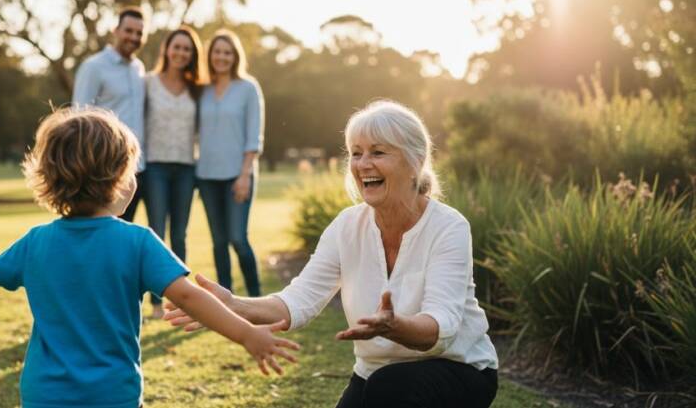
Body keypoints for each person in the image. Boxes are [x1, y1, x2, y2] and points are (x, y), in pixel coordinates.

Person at [0, 108, 300, 408]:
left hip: (44, 395)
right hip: (112, 395)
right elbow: (191, 298)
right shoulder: (138, 242)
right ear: (120, 179)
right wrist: (246, 333)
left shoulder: (36, 242)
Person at [167, 100, 499, 408]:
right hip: (375, 371)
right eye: (356, 153)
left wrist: (394, 325)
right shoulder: (347, 226)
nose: (363, 164)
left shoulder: (449, 227)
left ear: (415, 163)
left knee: (391, 387)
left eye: (378, 152)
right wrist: (233, 305)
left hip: (459, 370)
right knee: (384, 383)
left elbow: (442, 326)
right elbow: (299, 300)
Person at [142, 26, 205, 318]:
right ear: (167, 49)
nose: (181, 53)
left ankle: (177, 300)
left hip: (185, 168)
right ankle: (155, 301)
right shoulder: (148, 83)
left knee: (179, 235)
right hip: (154, 165)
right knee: (156, 233)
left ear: (192, 55)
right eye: (176, 47)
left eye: (187, 49)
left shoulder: (197, 87)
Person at [196, 30, 265, 297]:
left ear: (235, 57)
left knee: (238, 238)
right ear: (210, 55)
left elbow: (254, 135)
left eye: (227, 52)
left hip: (238, 174)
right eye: (217, 52)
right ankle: (226, 302)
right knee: (219, 242)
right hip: (206, 175)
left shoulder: (248, 88)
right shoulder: (201, 90)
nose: (222, 57)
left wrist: (245, 174)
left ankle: (257, 298)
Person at [72, 6, 148, 223]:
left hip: (136, 170)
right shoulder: (94, 67)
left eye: (139, 33)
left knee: (126, 234)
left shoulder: (139, 69)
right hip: (104, 171)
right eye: (129, 31)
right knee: (104, 234)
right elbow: (79, 118)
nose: (133, 37)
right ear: (116, 30)